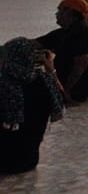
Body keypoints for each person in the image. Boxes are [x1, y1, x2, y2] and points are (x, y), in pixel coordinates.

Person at [0, 36, 67, 174]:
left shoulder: (7, 85)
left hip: (5, 161)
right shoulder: (45, 82)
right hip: (29, 159)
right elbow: (62, 99)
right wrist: (51, 69)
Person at [37, 0, 88, 104]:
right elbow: (34, 44)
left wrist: (65, 91)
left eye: (59, 10)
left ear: (69, 12)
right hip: (64, 88)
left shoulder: (81, 32)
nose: (56, 14)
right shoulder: (65, 32)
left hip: (74, 93)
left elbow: (82, 63)